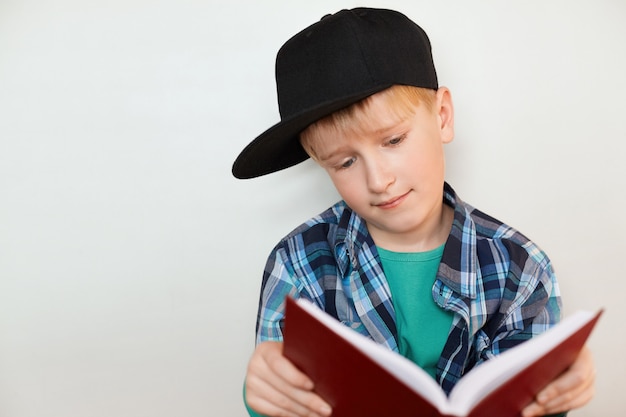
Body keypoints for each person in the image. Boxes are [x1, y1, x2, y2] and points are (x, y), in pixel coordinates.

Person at [232, 7, 596, 417]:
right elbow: (280, 391)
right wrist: (263, 394)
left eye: (393, 140)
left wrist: (552, 390)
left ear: (441, 116)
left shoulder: (521, 269)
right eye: (344, 162)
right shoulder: (297, 264)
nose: (378, 180)